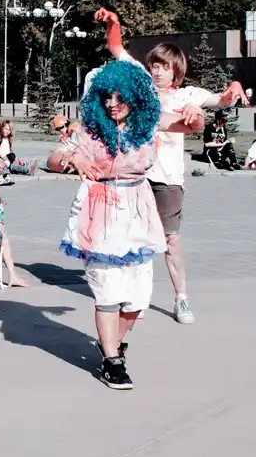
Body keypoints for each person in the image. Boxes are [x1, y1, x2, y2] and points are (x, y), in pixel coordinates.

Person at [59, 58, 202, 390]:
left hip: (139, 213)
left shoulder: (148, 123)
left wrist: (194, 111)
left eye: (120, 97)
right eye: (107, 97)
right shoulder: (91, 130)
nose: (112, 104)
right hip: (101, 213)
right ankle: (112, 360)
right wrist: (74, 157)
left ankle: (109, 343)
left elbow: (192, 125)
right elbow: (55, 156)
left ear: (135, 97)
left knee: (138, 298)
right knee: (107, 291)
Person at [144, 42, 248, 325]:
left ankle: (181, 298)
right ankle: (138, 296)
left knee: (171, 240)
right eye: (154, 66)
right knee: (138, 238)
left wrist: (234, 86)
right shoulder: (141, 93)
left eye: (165, 67)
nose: (158, 72)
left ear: (176, 70)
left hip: (167, 179)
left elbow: (222, 100)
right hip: (137, 176)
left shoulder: (187, 95)